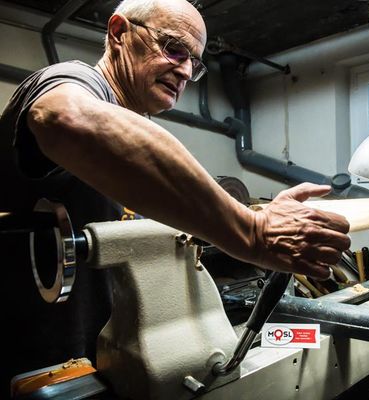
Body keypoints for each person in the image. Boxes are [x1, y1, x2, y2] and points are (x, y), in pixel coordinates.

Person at [0, 0, 350, 396]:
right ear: (119, 32)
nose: (185, 71)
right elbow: (64, 116)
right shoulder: (74, 80)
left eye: (194, 63)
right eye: (173, 49)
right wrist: (252, 232)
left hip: (100, 362)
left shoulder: (131, 131)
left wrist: (250, 215)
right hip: (35, 370)